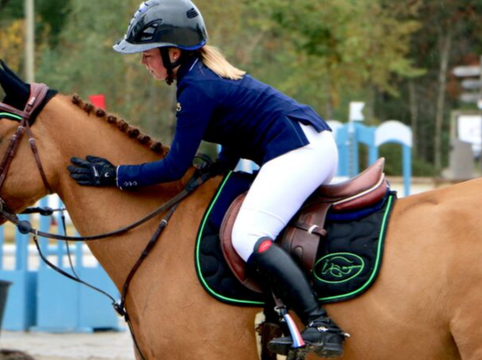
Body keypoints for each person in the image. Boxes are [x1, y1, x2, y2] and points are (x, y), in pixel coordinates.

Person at [67, 0, 346, 357]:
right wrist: (222, 165)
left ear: (172, 52)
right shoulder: (200, 74)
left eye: (147, 53)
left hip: (299, 152)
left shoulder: (196, 87)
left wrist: (115, 175)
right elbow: (236, 131)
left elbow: (172, 168)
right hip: (307, 144)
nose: (143, 61)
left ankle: (319, 322)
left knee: (247, 235)